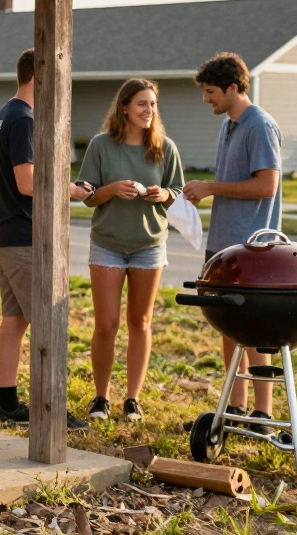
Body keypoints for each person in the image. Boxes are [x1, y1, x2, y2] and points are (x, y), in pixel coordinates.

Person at [0, 48, 92, 429]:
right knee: (48, 322)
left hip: (5, 232)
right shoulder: (24, 120)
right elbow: (28, 182)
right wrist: (72, 190)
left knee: (14, 321)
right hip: (23, 236)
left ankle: (8, 405)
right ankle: (52, 409)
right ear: (39, 76)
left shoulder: (5, 114)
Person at [182, 52, 282, 432]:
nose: (206, 98)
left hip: (252, 248)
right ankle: (235, 409)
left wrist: (211, 188)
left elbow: (266, 185)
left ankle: (263, 414)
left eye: (210, 92)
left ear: (233, 88)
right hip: (224, 245)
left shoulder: (259, 125)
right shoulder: (229, 124)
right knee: (228, 325)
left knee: (254, 330)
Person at [75, 79, 184, 422]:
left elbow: (177, 191)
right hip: (107, 243)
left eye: (152, 104)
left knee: (140, 322)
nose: (148, 110)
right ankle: (101, 398)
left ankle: (132, 399)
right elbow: (88, 195)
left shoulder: (164, 148)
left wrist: (163, 195)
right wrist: (110, 190)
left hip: (149, 246)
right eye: (141, 104)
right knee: (106, 324)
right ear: (124, 107)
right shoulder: (101, 146)